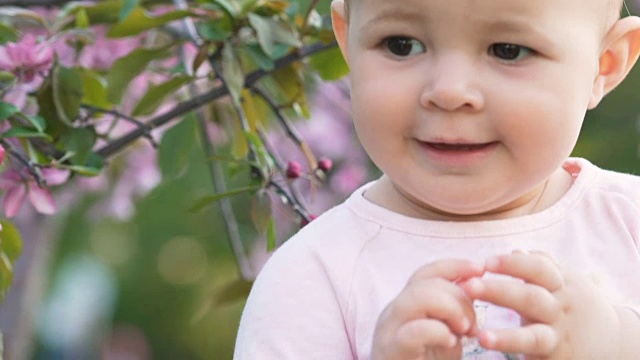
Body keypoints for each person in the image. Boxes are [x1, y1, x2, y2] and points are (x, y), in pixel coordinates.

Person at [234, 0, 640, 358]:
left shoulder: (628, 223)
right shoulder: (312, 277)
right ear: (348, 43)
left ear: (605, 63)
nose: (448, 91)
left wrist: (618, 345)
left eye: (508, 50)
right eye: (401, 44)